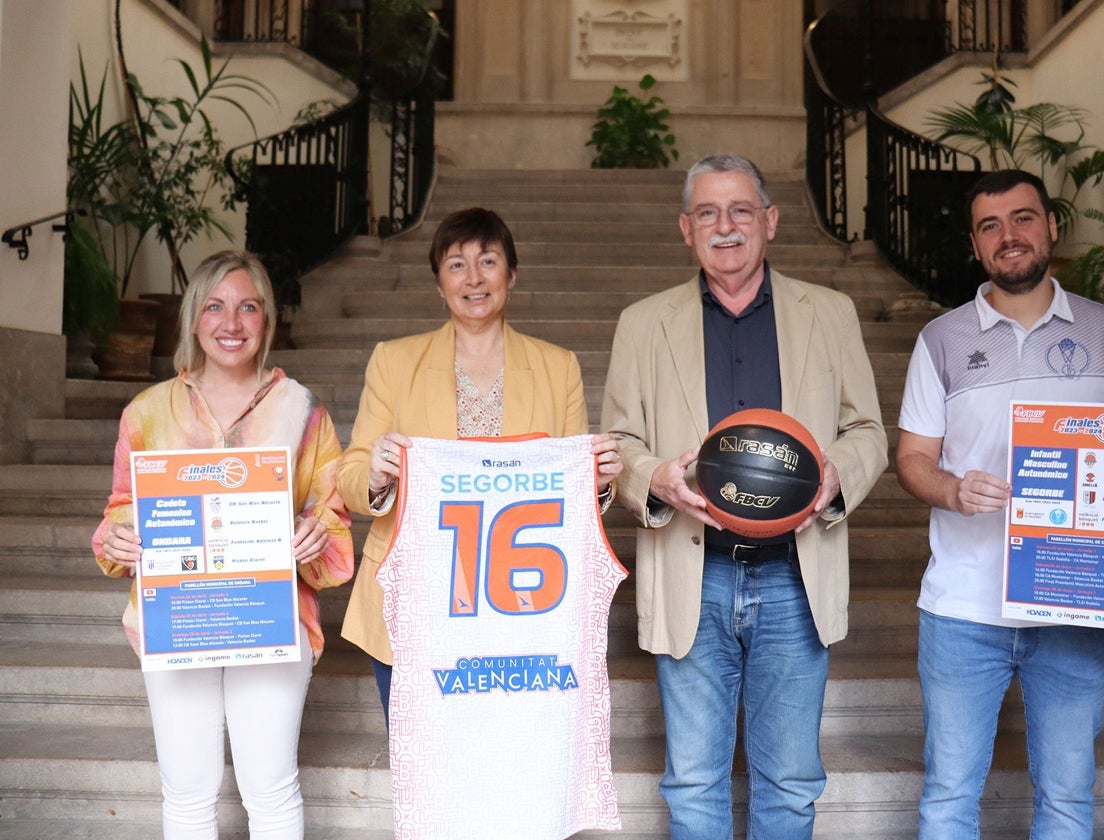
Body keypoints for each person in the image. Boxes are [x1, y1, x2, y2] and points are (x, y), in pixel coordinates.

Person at [895, 168, 1104, 838]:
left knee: (1065, 799)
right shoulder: (940, 340)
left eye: (1023, 218)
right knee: (948, 798)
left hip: (1079, 601)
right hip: (964, 607)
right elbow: (912, 459)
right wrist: (953, 488)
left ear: (1052, 226)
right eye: (990, 226)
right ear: (975, 246)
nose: (1010, 236)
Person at [601, 153, 888, 838]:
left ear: (771, 221)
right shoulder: (643, 323)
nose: (724, 226)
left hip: (795, 572)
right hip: (691, 574)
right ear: (685, 227)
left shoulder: (830, 311)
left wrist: (837, 473)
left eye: (740, 210)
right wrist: (654, 479)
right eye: (707, 212)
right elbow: (618, 443)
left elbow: (869, 429)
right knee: (694, 781)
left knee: (789, 781)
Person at [92, 250, 355, 838]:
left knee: (270, 787)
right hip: (176, 619)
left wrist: (317, 534)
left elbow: (332, 517)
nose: (231, 323)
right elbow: (119, 510)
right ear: (193, 318)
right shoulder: (146, 413)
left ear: (266, 320)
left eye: (247, 307)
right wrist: (116, 536)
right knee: (187, 792)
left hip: (272, 621)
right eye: (215, 306)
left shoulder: (303, 411)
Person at [337, 206, 623, 719]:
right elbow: (353, 474)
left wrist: (597, 484)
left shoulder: (558, 368)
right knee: (426, 776)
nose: (473, 279)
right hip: (416, 598)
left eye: (488, 261)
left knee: (511, 764)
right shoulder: (394, 361)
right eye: (456, 265)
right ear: (438, 284)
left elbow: (571, 490)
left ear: (511, 275)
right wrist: (376, 473)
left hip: (521, 602)